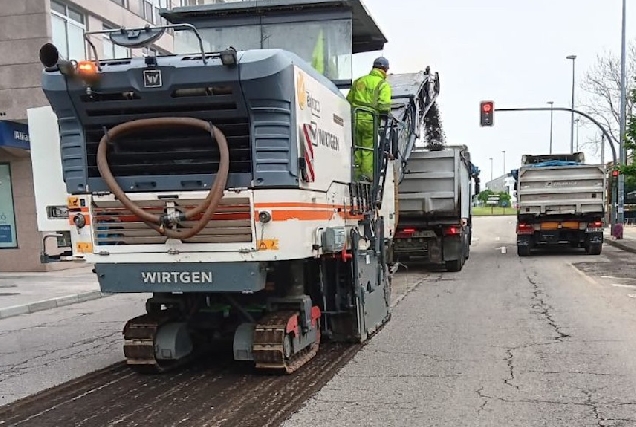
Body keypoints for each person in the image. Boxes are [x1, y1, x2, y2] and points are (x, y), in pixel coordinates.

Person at [346, 57, 392, 181]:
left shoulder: (359, 81)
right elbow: (384, 106)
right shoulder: (383, 85)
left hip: (355, 119)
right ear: (384, 70)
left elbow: (348, 100)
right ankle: (366, 176)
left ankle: (355, 175)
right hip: (370, 121)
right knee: (368, 150)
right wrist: (387, 114)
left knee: (356, 148)